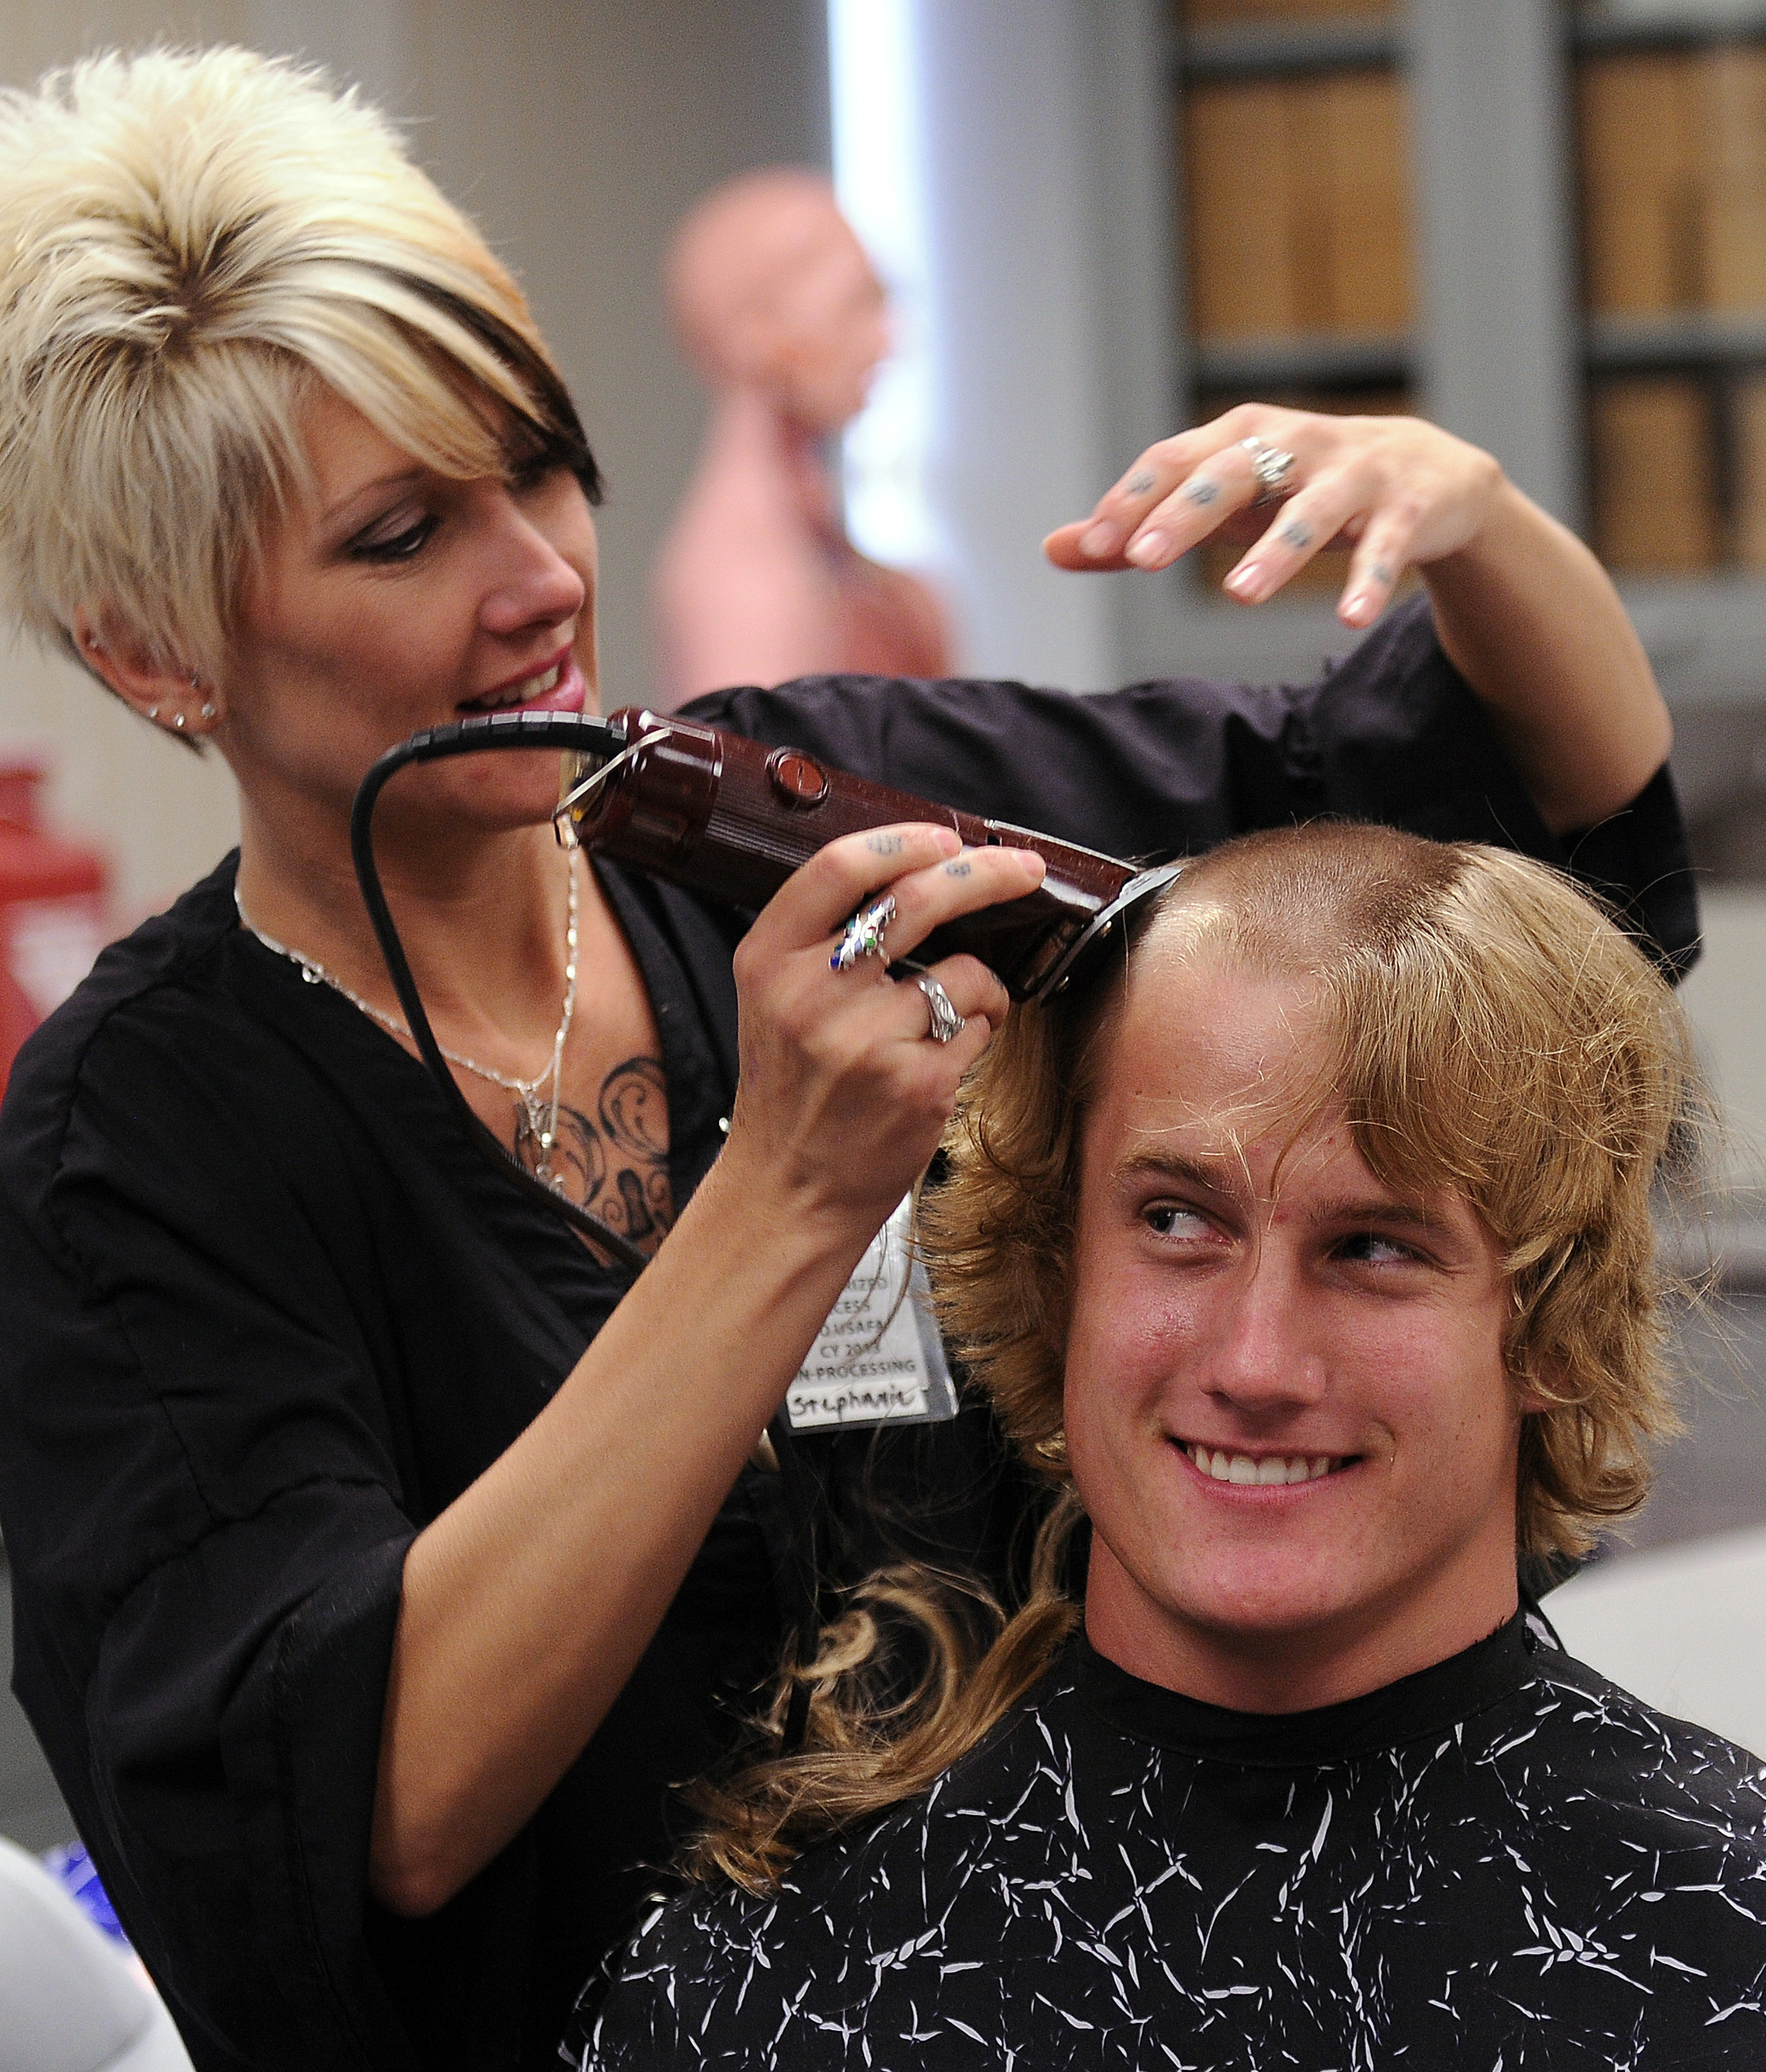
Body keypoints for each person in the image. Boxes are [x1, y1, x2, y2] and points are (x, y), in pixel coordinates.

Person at [0, 42, 1693, 2072]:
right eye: (399, 537)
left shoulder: (777, 812)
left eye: (536, 463)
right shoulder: (137, 1151)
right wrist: (785, 1194)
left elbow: (1526, 840)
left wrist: (1474, 526)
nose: (540, 577)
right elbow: (360, 1817)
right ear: (149, 650)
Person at [571, 823, 1766, 2072]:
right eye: (1176, 1220)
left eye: (1371, 1248)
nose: (1253, 1365)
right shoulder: (760, 1995)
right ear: (1050, 1264)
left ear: (1554, 1322)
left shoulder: (1726, 1951)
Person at [652, 167, 951, 709]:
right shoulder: (745, 579)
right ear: (758, 332)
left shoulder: (820, 550)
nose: (888, 338)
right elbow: (761, 787)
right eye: (856, 304)